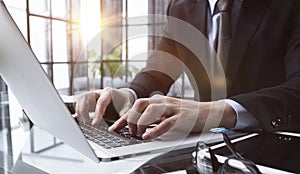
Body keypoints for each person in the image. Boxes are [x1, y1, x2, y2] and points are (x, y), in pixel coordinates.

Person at [76, 0, 300, 140]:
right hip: (203, 148)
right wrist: (128, 94)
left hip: (277, 143)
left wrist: (215, 112)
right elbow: (158, 71)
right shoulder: (181, 7)